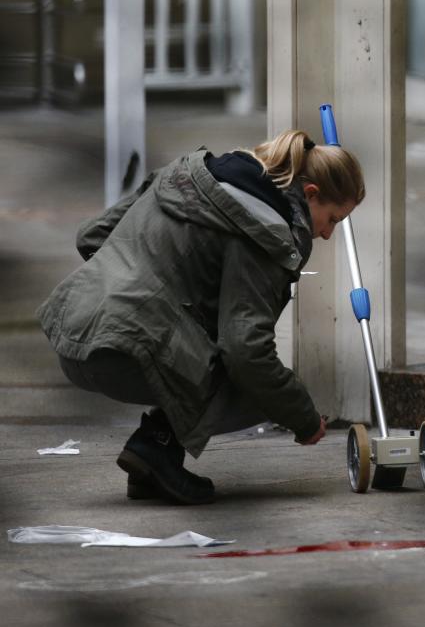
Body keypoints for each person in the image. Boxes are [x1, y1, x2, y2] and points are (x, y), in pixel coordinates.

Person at [37, 130, 365, 505]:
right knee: (255, 381)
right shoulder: (265, 232)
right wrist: (303, 417)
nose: (326, 234)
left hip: (73, 331)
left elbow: (91, 236)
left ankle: (152, 466)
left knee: (210, 338)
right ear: (309, 195)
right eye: (333, 218)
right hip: (121, 352)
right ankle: (157, 446)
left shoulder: (189, 172)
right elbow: (246, 352)